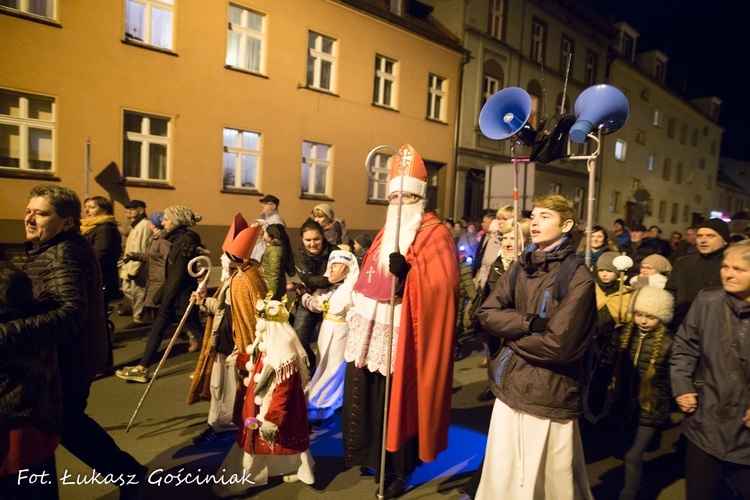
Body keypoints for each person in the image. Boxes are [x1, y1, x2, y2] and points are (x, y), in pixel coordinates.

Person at [0, 185, 146, 497]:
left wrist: (8, 333)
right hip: (72, 356)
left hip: (70, 360)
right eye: (29, 211)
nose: (30, 218)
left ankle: (132, 477)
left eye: (41, 213)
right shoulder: (52, 248)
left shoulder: (63, 254)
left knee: (58, 428)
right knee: (68, 426)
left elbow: (69, 315)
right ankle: (131, 476)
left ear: (66, 222)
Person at [342, 144, 459, 498]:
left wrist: (410, 275)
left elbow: (444, 286)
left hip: (404, 332)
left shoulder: (435, 232)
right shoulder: (384, 231)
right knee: (372, 395)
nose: (398, 203)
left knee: (398, 400)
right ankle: (372, 454)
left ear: (419, 198)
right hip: (372, 328)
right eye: (393, 196)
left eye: (406, 196)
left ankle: (399, 469)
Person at [475, 194, 596, 499]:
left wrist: (509, 338)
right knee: (503, 473)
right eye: (535, 215)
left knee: (547, 478)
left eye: (546, 216)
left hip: (549, 390)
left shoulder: (578, 277)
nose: (536, 222)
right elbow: (487, 313)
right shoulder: (521, 266)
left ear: (567, 225)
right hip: (510, 384)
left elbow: (560, 345)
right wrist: (526, 324)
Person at [670, 239, 750, 499]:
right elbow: (683, 347)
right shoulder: (708, 301)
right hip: (705, 426)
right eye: (725, 266)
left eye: (739, 269)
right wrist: (682, 386)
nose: (728, 273)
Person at [212, 297, 315, 497]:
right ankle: (293, 468)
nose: (258, 327)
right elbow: (257, 361)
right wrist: (241, 359)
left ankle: (240, 482)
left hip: (270, 410)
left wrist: (271, 419)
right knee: (282, 441)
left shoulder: (282, 354)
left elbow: (281, 393)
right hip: (260, 404)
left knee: (257, 442)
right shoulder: (270, 343)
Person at [188, 213, 268, 445]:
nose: (222, 256)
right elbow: (224, 309)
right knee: (217, 386)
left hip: (234, 343)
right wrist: (203, 301)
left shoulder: (244, 280)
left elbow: (247, 318)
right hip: (222, 340)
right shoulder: (236, 276)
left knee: (229, 389)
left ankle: (224, 426)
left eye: (225, 254)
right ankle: (218, 423)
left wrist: (241, 347)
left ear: (233, 257)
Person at [589, 286, 675, 500]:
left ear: (661, 316)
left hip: (649, 408)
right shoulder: (622, 334)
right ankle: (635, 486)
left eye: (650, 316)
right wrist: (596, 397)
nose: (643, 321)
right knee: (627, 450)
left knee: (633, 455)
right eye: (639, 314)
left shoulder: (669, 342)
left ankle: (628, 494)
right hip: (623, 405)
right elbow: (605, 365)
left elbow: (672, 381)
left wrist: (664, 411)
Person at [116, 205, 205, 383]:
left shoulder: (185, 240)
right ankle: (142, 368)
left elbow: (177, 274)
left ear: (177, 221)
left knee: (199, 334)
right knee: (160, 329)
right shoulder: (176, 238)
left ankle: (209, 369)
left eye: (166, 219)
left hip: (179, 296)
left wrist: (165, 298)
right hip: (174, 294)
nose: (162, 222)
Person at [0, 260, 62, 499]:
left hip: (15, 408)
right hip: (22, 402)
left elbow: (67, 316)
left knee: (24, 481)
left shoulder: (9, 279)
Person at [301, 250, 359, 429]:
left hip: (341, 331)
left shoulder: (351, 289)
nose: (332, 268)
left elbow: (354, 311)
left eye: (337, 265)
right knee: (322, 365)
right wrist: (304, 297)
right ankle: (316, 405)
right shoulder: (332, 288)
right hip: (327, 329)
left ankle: (321, 409)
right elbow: (319, 305)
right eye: (331, 264)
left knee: (333, 369)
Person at [81, 195, 122, 371]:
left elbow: (101, 255)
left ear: (104, 210)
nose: (87, 210)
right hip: (92, 281)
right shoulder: (89, 227)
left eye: (92, 207)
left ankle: (103, 363)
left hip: (100, 282)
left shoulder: (105, 228)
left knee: (97, 324)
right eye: (86, 206)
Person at [293, 219, 340, 371]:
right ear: (302, 239)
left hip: (331, 304)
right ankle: (312, 369)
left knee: (327, 344)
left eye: (316, 239)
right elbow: (308, 279)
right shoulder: (300, 255)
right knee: (297, 342)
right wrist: (330, 280)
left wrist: (330, 282)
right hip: (307, 302)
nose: (312, 243)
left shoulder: (335, 252)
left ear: (323, 237)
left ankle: (323, 373)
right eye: (308, 240)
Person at [665, 218, 730, 329]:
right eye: (700, 236)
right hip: (680, 327)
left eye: (711, 236)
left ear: (725, 240)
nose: (703, 240)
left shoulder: (731, 265)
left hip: (716, 329)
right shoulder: (683, 262)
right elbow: (671, 292)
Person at [125, 211, 170, 322]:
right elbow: (150, 257)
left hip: (159, 279)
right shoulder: (155, 238)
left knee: (160, 309)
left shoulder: (162, 240)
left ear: (153, 224)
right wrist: (132, 255)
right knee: (156, 310)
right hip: (154, 278)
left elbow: (168, 259)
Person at [120, 199, 151, 329]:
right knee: (128, 290)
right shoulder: (136, 225)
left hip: (136, 266)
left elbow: (140, 248)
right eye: (127, 209)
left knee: (138, 292)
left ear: (141, 210)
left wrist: (135, 270)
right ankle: (142, 315)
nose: (128, 211)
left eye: (132, 209)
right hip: (130, 265)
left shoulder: (144, 225)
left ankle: (139, 318)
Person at [260, 223, 295, 301]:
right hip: (270, 286)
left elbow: (274, 274)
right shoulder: (274, 248)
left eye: (266, 232)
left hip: (271, 288)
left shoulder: (274, 251)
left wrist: (271, 295)